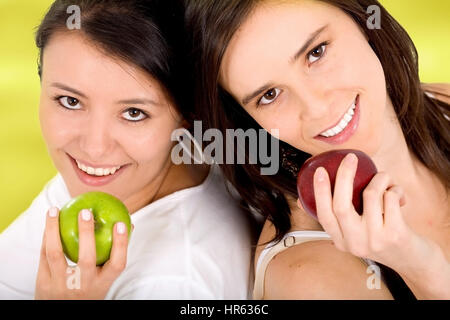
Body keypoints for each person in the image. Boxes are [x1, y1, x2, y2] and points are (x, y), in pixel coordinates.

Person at [185, 0, 450, 299]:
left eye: (316, 52)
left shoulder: (443, 100)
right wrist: (425, 273)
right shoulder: (308, 275)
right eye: (270, 95)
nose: (317, 108)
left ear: (362, 19)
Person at [0, 0, 256, 300]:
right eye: (70, 101)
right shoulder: (139, 175)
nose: (94, 148)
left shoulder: (176, 282)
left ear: (187, 115)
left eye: (134, 113)